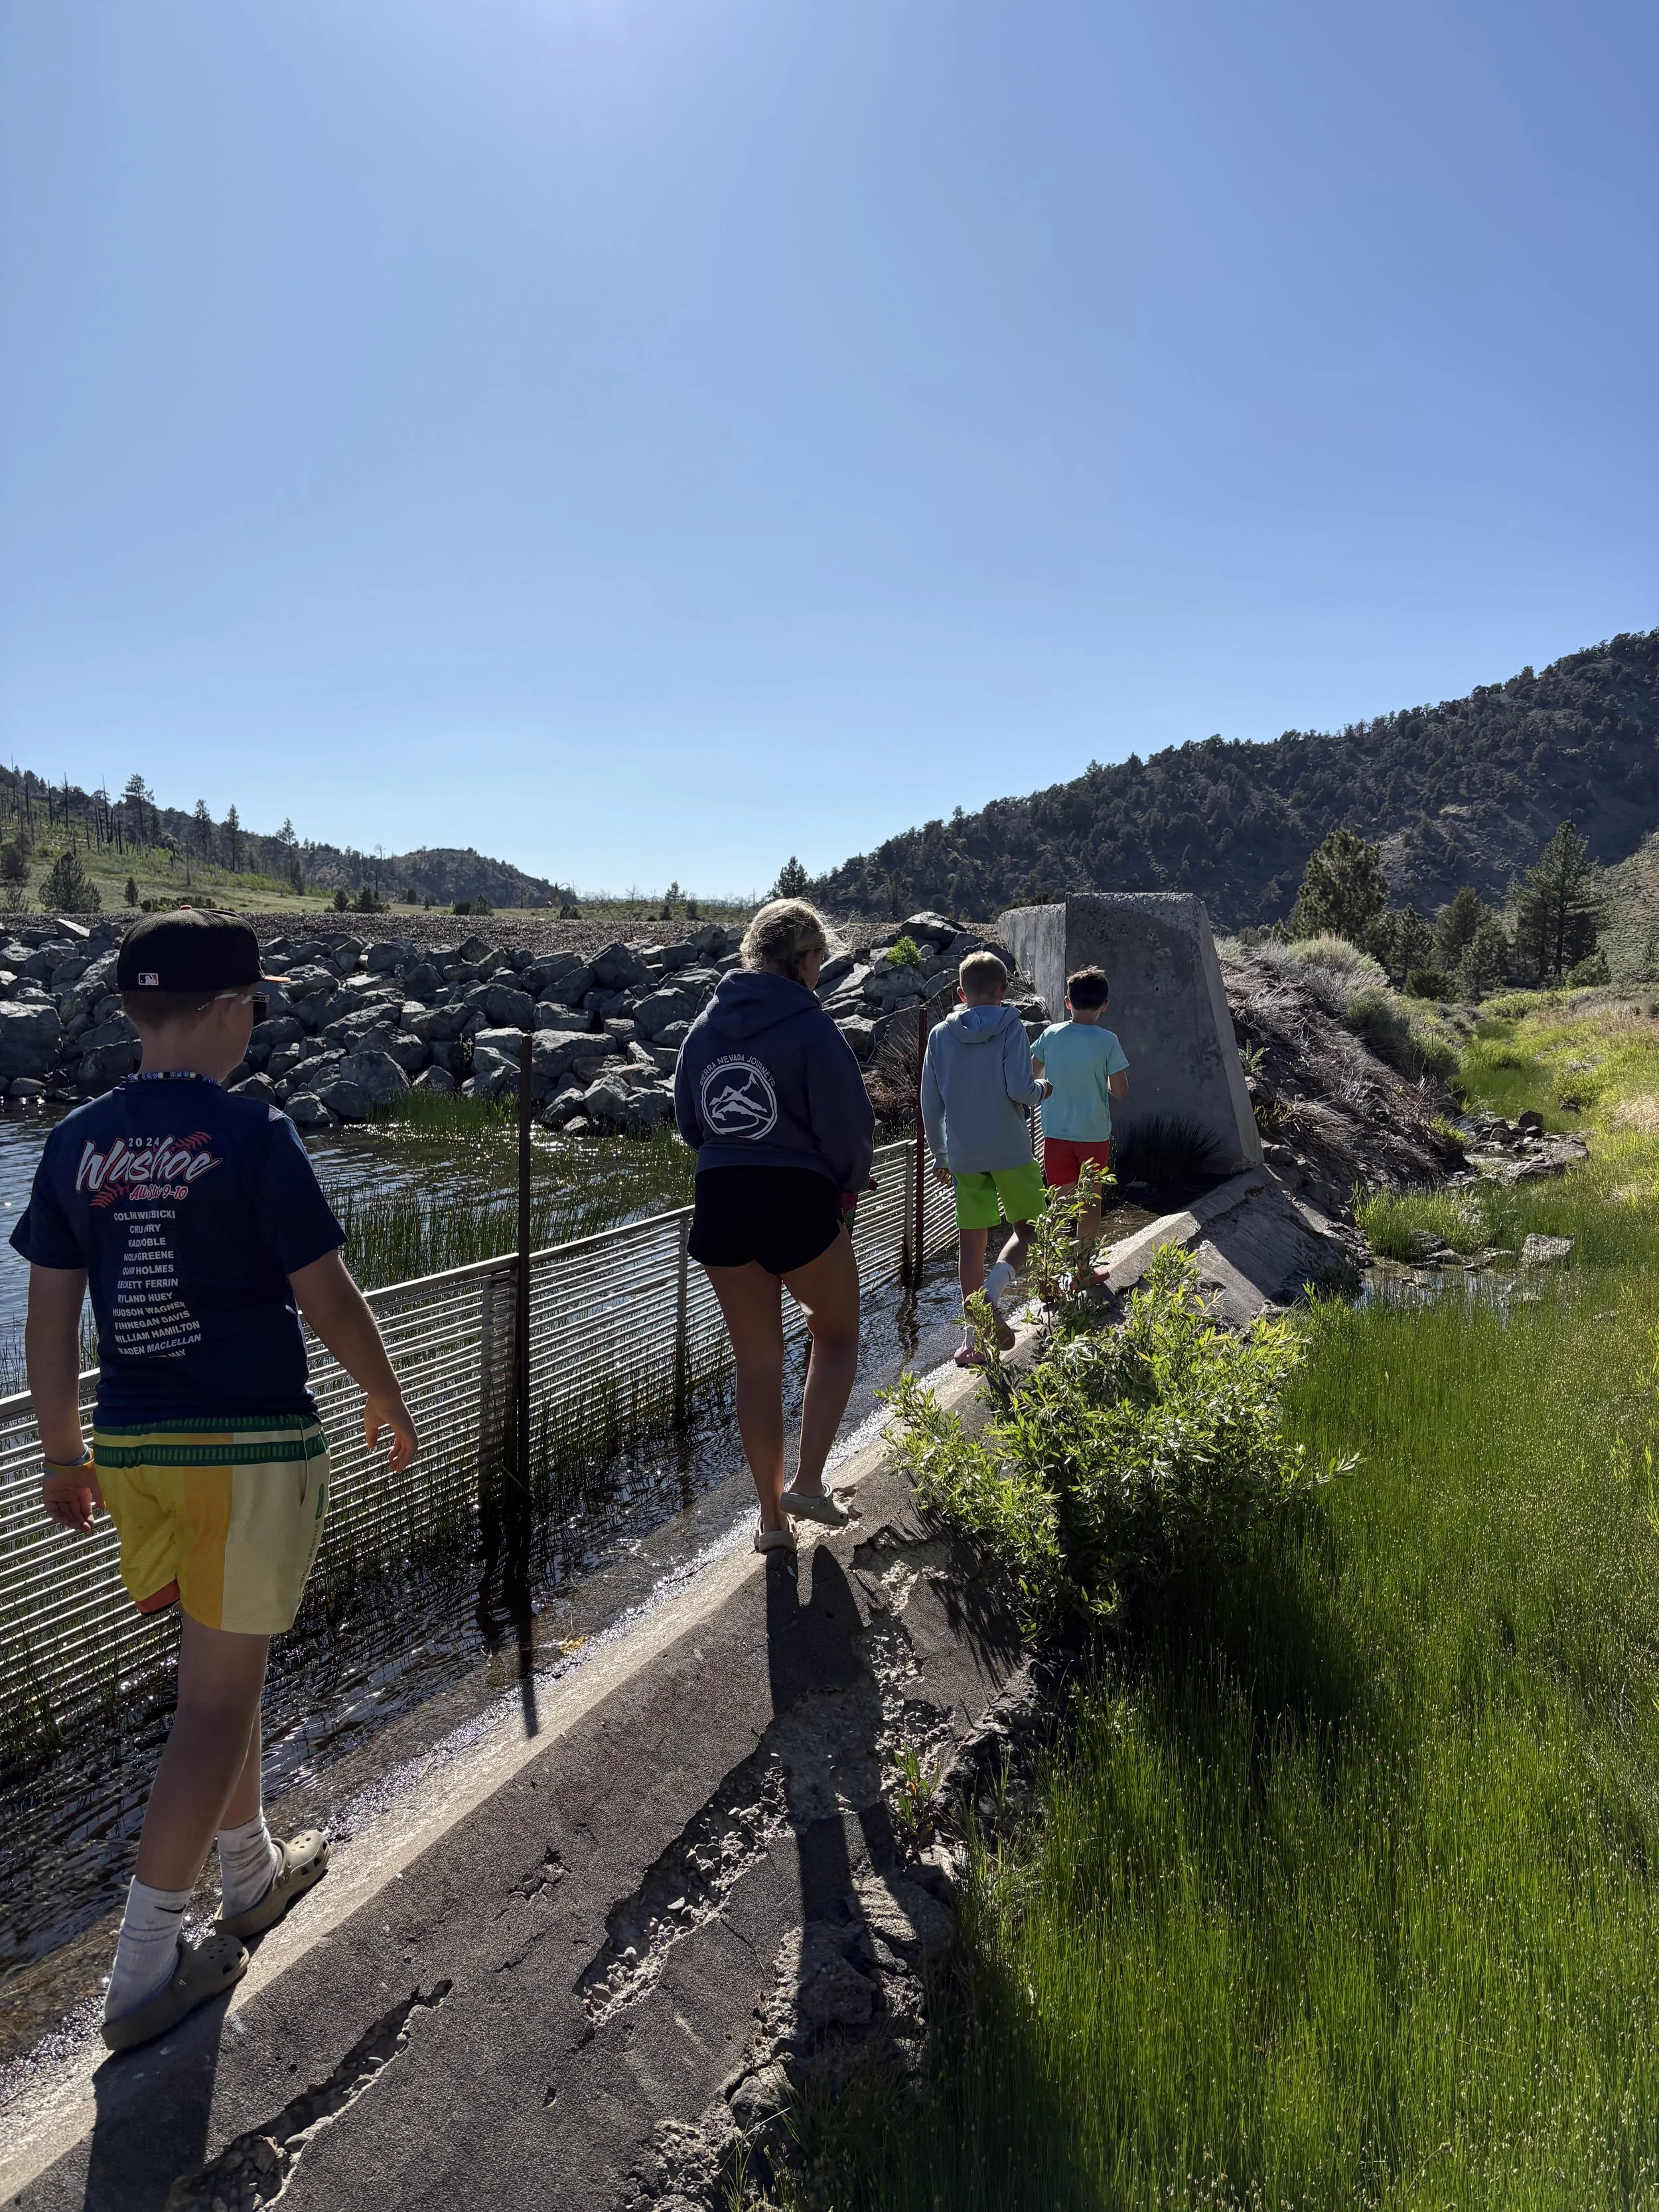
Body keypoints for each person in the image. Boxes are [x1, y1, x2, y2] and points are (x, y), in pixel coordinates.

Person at [15, 911, 418, 2053]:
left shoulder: (73, 1142)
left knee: (220, 1665)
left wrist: (59, 1449)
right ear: (232, 1011)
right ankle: (142, 1971)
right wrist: (386, 1392)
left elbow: (50, 1316)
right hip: (247, 1449)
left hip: (135, 1449)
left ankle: (248, 1873)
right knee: (214, 1701)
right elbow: (327, 1293)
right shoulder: (255, 1134)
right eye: (256, 1003)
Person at [674, 899, 875, 1555]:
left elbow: (689, 1124)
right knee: (836, 1333)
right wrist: (844, 1191)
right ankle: (809, 1481)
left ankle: (769, 1523)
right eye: (821, 960)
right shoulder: (813, 1028)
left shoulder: (703, 1030)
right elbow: (848, 1127)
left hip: (722, 1198)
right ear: (808, 960)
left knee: (757, 1363)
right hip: (796, 1198)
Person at [920, 949, 1051, 1366]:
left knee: (970, 1245)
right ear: (1004, 990)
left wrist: (940, 1153)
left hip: (963, 1155)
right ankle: (992, 1296)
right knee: (1031, 1229)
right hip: (1010, 1148)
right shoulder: (1013, 1028)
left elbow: (930, 1102)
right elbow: (1019, 1089)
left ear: (961, 993)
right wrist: (1043, 1090)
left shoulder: (940, 1035)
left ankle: (974, 1343)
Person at [1031, 965, 1130, 1278]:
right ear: (1105, 1005)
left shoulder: (1050, 1035)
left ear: (1067, 1002)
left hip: (1055, 1134)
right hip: (1093, 1135)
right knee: (1090, 1205)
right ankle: (1082, 1271)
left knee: (1059, 1204)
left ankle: (1049, 1277)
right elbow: (1121, 1092)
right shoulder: (1108, 1040)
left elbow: (1029, 1077)